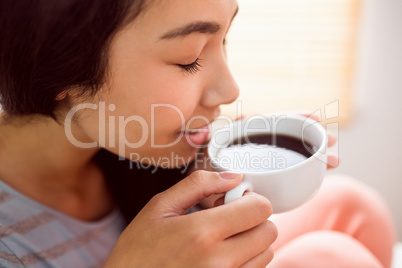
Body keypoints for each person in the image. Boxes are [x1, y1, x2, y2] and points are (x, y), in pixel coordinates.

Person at [0, 0, 395, 267]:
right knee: (327, 256)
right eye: (188, 58)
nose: (230, 91)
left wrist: (211, 168)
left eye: (223, 40)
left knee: (351, 204)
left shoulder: (118, 144)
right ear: (55, 65)